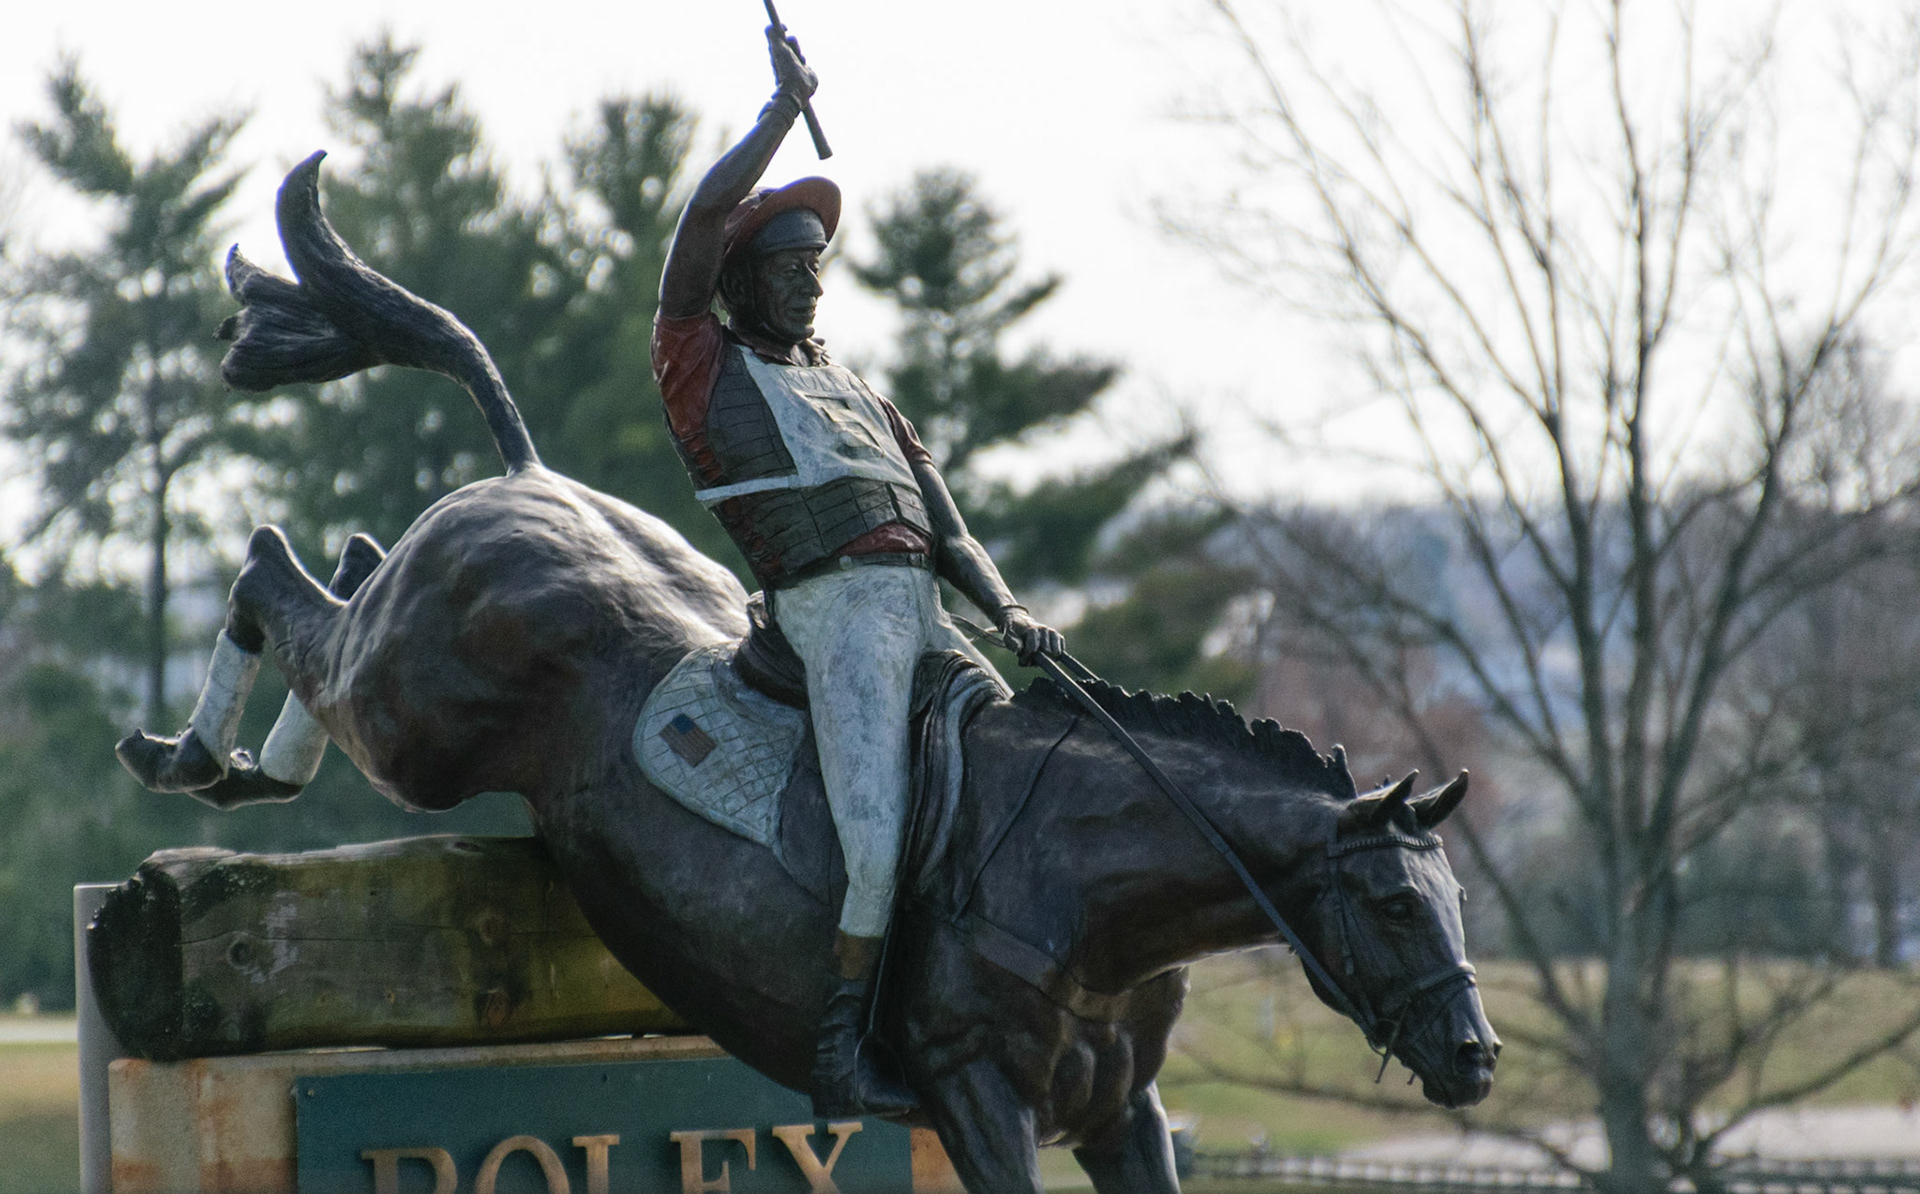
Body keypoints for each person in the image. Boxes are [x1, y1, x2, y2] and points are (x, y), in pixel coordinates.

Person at [651, 26, 1063, 1117]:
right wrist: (778, 116)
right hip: (832, 617)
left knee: (1009, 784)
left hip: (927, 608)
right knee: (873, 837)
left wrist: (1011, 612)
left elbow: (950, 529)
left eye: (815, 272)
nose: (809, 291)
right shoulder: (701, 366)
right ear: (742, 280)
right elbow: (695, 224)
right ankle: (840, 1039)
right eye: (788, 273)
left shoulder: (865, 393)